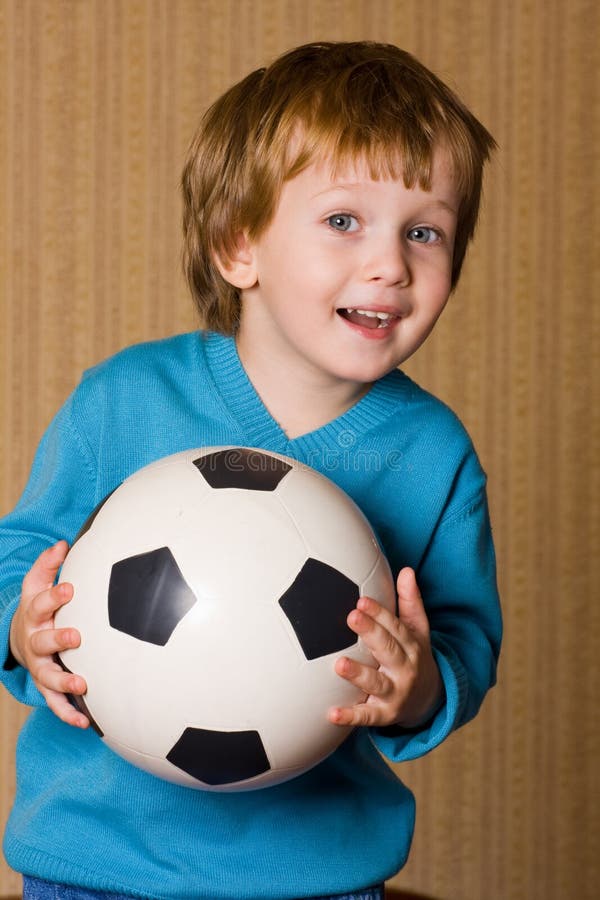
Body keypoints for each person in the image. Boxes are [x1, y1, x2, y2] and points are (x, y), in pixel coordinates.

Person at [0, 41, 502, 900]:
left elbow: (463, 643)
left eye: (425, 231)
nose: (390, 263)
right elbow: (20, 557)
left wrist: (419, 686)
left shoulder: (433, 452)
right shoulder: (122, 401)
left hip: (318, 876)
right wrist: (25, 629)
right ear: (241, 245)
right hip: (98, 861)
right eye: (345, 220)